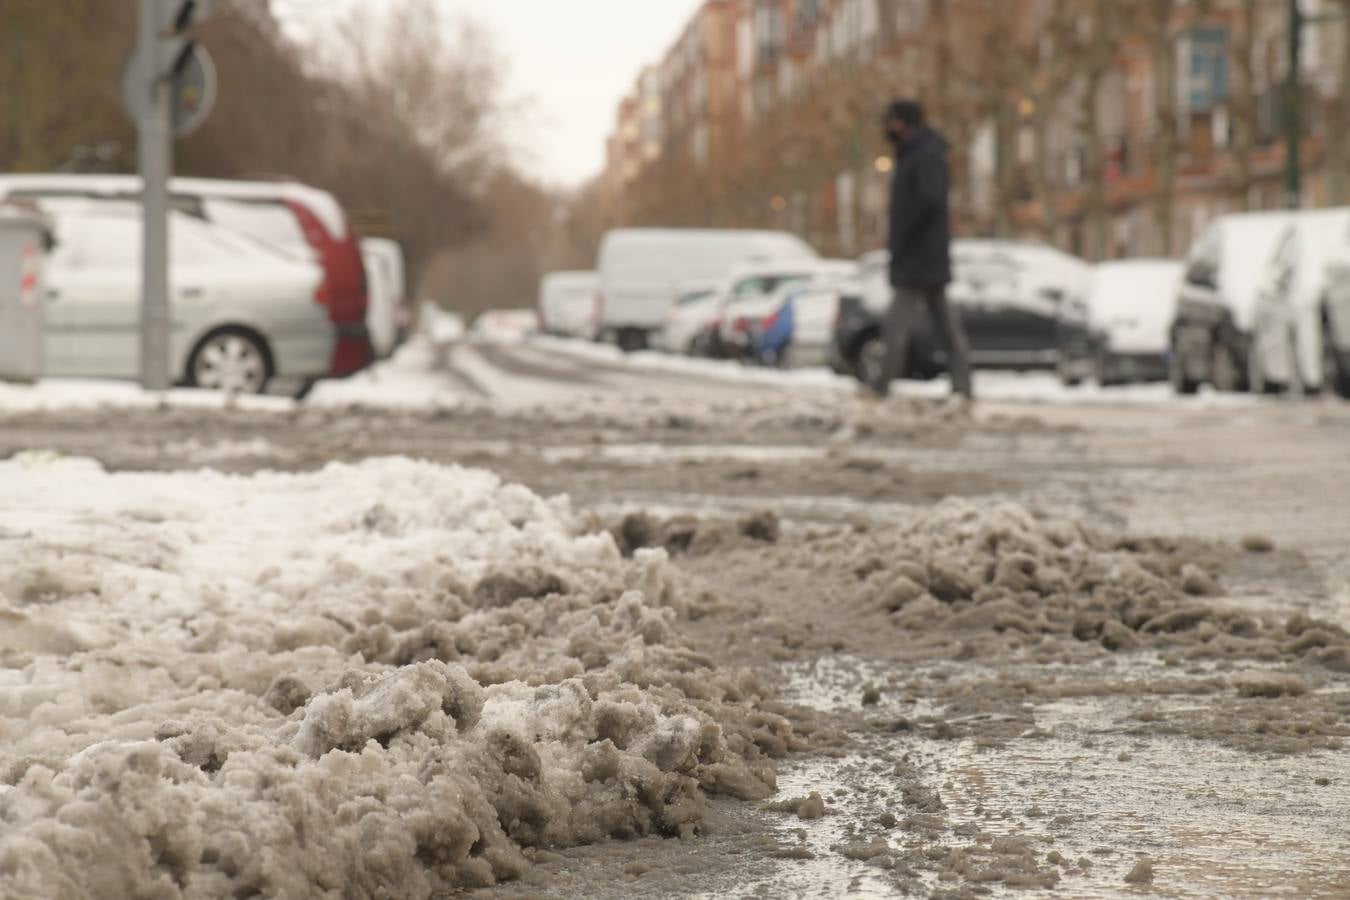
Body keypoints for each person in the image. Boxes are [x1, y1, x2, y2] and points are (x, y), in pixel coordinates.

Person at [869, 99, 972, 400]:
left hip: (918, 257)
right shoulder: (919, 152)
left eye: (892, 121)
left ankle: (881, 384)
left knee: (897, 326)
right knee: (945, 327)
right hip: (925, 256)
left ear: (904, 123)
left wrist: (903, 236)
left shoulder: (923, 155)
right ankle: (962, 386)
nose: (888, 128)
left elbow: (929, 201)